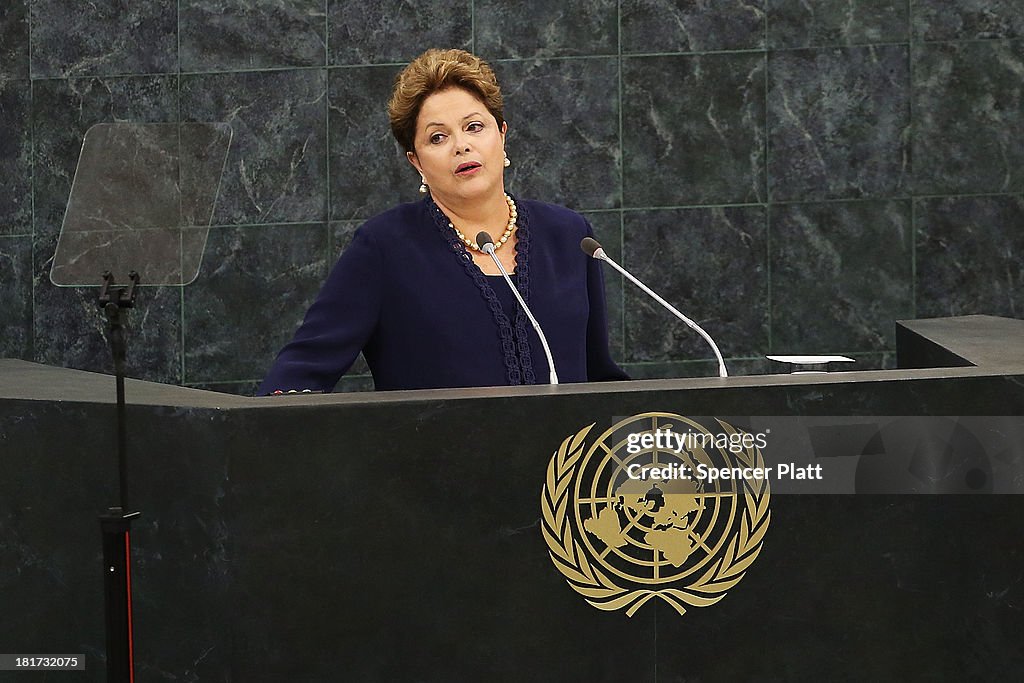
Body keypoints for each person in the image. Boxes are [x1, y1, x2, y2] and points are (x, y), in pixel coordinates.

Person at [258, 48, 627, 393]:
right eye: (438, 137)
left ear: (502, 135)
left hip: (564, 461)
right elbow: (302, 369)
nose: (461, 145)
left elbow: (598, 374)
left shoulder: (569, 236)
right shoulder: (385, 247)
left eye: (474, 127)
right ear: (416, 161)